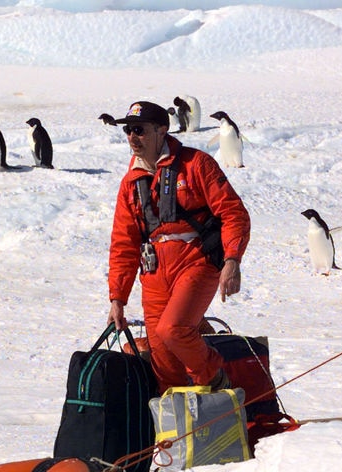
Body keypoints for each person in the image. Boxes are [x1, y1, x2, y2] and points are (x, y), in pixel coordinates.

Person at [107, 101, 250, 393]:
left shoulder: (196, 164)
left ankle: (218, 385)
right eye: (128, 130)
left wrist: (232, 260)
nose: (132, 137)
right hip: (155, 272)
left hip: (196, 260)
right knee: (163, 358)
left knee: (174, 329)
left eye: (140, 130)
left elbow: (233, 213)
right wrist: (117, 298)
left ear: (162, 130)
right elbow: (124, 244)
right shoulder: (130, 183)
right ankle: (179, 431)